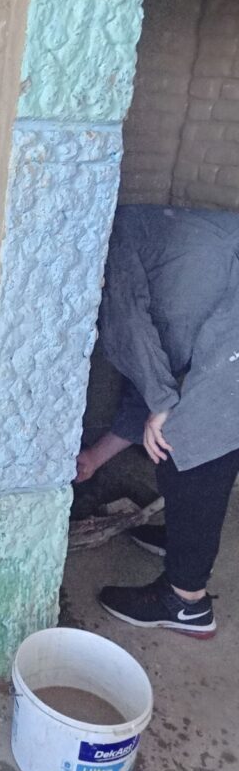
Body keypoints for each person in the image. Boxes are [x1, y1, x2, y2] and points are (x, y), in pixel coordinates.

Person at [75, 204, 239, 638]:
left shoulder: (111, 250)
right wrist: (95, 458)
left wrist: (164, 404)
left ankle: (187, 602)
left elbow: (129, 328)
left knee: (193, 444)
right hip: (228, 310)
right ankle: (185, 539)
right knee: (181, 426)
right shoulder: (139, 237)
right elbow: (150, 367)